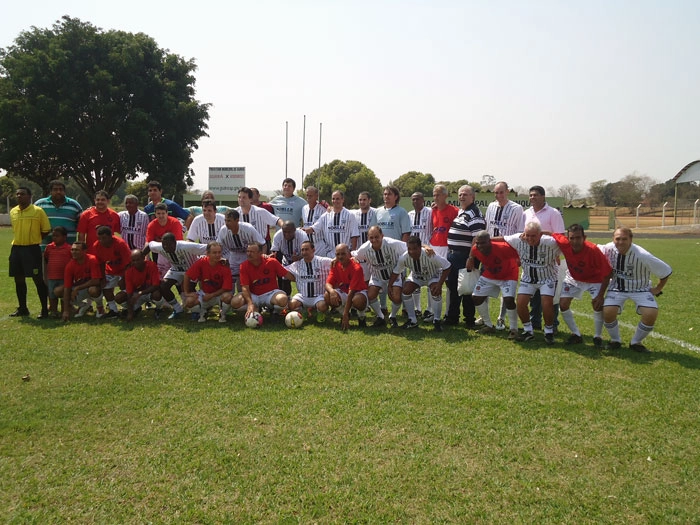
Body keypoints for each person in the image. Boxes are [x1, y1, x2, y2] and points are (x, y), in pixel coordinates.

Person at [599, 227, 672, 352]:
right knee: (608, 311)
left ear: (631, 239)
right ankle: (615, 340)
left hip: (641, 289)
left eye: (624, 239)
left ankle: (636, 342)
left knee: (651, 314)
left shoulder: (643, 255)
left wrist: (658, 288)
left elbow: (665, 271)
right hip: (617, 288)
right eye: (617, 239)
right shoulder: (608, 248)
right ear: (613, 239)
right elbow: (591, 249)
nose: (620, 242)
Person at [551, 224, 613, 346]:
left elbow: (608, 273)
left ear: (584, 237)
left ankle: (597, 336)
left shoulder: (593, 250)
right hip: (573, 278)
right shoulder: (564, 243)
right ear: (568, 238)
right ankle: (576, 334)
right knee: (563, 304)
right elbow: (550, 233)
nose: (575, 241)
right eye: (572, 238)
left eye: (578, 238)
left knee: (597, 305)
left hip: (594, 280)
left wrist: (600, 295)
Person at [503, 222, 562, 343]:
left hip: (548, 278)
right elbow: (502, 238)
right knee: (520, 303)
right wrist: (482, 238)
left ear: (540, 235)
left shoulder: (551, 243)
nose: (530, 238)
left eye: (533, 236)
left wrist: (549, 232)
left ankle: (549, 331)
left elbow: (565, 241)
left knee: (547, 304)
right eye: (527, 235)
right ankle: (528, 330)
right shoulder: (518, 239)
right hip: (528, 278)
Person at [483, 181, 524, 330]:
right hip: (490, 251)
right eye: (496, 192)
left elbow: (520, 232)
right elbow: (487, 228)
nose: (498, 195)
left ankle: (501, 318)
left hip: (507, 252)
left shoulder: (517, 208)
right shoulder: (491, 206)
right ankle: (484, 316)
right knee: (485, 283)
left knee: (507, 288)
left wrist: (517, 254)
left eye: (501, 192)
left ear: (508, 192)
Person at [523, 185, 565, 331]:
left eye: (535, 195)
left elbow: (560, 236)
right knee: (533, 294)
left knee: (551, 296)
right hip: (531, 260)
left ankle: (553, 324)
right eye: (531, 195)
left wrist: (556, 255)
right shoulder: (526, 213)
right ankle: (535, 322)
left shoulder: (553, 213)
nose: (532, 198)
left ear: (543, 196)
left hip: (550, 259)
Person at [444, 185, 486, 327]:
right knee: (454, 287)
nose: (462, 197)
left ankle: (469, 319)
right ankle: (453, 317)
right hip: (453, 256)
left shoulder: (475, 214)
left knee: (467, 288)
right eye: (460, 194)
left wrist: (471, 258)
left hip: (465, 257)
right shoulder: (462, 211)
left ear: (473, 197)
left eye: (465, 194)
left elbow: (477, 240)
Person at [389, 236, 451, 331]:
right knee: (406, 290)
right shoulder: (404, 257)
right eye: (409, 249)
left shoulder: (430, 254)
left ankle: (437, 321)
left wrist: (439, 284)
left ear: (420, 248)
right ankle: (412, 320)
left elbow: (447, 266)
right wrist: (390, 286)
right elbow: (396, 272)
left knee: (435, 290)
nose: (412, 251)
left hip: (432, 276)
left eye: (414, 248)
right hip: (416, 277)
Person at [467, 231, 521, 339]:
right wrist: (470, 259)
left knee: (509, 300)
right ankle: (488, 325)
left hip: (508, 274)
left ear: (490, 241)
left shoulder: (503, 247)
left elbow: (519, 253)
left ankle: (514, 329)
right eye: (477, 243)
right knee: (476, 297)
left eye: (483, 243)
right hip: (490, 274)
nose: (479, 246)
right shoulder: (475, 248)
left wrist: (519, 260)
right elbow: (472, 252)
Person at [9, 187, 51, 318]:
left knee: (37, 279)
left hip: (32, 249)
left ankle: (44, 309)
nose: (19, 196)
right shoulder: (13, 211)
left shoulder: (38, 211)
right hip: (16, 248)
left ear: (30, 196)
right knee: (18, 278)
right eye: (18, 194)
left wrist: (34, 239)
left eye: (22, 194)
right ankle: (22, 308)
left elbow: (46, 229)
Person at [353, 226, 406, 328]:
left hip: (393, 276)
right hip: (377, 276)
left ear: (382, 236)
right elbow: (354, 254)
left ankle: (392, 316)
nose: (374, 240)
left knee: (396, 297)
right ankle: (381, 317)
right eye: (371, 237)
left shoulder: (392, 243)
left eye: (377, 237)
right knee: (371, 295)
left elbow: (408, 247)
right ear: (368, 237)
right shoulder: (364, 248)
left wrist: (425, 247)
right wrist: (350, 258)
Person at [145, 232, 208, 319]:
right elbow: (150, 245)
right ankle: (177, 309)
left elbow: (208, 248)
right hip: (176, 269)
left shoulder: (186, 246)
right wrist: (141, 256)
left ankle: (196, 310)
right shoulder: (160, 247)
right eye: (164, 245)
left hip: (191, 268)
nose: (166, 247)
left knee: (188, 288)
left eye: (168, 245)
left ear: (175, 243)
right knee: (163, 286)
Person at [231, 243, 293, 322]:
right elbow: (245, 287)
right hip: (253, 295)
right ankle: (256, 309)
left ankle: (275, 312)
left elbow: (287, 275)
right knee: (235, 302)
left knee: (282, 299)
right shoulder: (244, 266)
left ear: (260, 253)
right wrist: (250, 303)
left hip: (270, 294)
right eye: (247, 251)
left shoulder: (272, 262)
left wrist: (300, 278)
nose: (248, 254)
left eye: (252, 252)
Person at [183, 241, 233, 323]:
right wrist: (186, 292)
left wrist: (211, 295)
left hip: (218, 295)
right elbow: (187, 275)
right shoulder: (202, 262)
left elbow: (226, 288)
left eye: (219, 252)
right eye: (214, 253)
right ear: (207, 253)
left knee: (228, 297)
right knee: (189, 301)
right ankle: (202, 312)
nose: (217, 255)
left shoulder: (225, 265)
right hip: (204, 294)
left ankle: (223, 314)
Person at [217, 209, 266, 291]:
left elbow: (263, 244)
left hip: (248, 256)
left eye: (229, 221)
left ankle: (245, 298)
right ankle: (229, 299)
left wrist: (261, 260)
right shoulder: (223, 230)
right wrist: (220, 258)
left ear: (237, 220)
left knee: (244, 283)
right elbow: (218, 246)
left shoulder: (248, 228)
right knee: (229, 284)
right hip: (232, 255)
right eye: (225, 220)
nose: (226, 223)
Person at [324, 243, 369, 330]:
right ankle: (343, 313)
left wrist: (346, 312)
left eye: (343, 254)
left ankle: (361, 316)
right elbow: (328, 283)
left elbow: (351, 292)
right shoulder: (335, 264)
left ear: (349, 254)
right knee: (327, 295)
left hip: (358, 293)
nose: (340, 256)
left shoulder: (357, 268)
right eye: (338, 254)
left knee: (357, 300)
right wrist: (332, 291)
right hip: (345, 292)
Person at [286, 240, 333, 322]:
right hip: (303, 296)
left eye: (306, 249)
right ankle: (303, 311)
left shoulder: (323, 261)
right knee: (291, 305)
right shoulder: (297, 264)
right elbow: (282, 271)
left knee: (322, 306)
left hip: (318, 296)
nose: (304, 252)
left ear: (313, 250)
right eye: (302, 250)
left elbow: (336, 262)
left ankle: (320, 313)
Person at [304, 190, 359, 256]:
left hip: (345, 254)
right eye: (333, 199)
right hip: (330, 254)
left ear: (342, 200)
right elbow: (314, 228)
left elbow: (354, 236)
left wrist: (352, 252)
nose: (335, 201)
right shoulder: (326, 215)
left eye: (337, 199)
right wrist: (301, 230)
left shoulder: (350, 215)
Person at [58, 242, 103, 321]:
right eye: (72, 250)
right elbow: (67, 287)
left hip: (93, 287)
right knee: (58, 291)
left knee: (93, 290)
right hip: (81, 288)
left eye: (77, 250)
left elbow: (96, 281)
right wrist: (66, 311)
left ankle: (100, 307)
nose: (74, 252)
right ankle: (83, 305)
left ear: (84, 251)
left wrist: (77, 288)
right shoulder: (70, 265)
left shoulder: (92, 259)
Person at [93, 226, 132, 318]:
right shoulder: (97, 245)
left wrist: (124, 278)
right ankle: (113, 310)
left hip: (124, 270)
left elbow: (128, 263)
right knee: (106, 287)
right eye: (99, 238)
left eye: (104, 238)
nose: (101, 241)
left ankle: (130, 308)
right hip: (110, 270)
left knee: (122, 293)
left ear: (111, 236)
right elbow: (101, 263)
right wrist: (102, 277)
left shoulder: (120, 244)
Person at [34, 179, 83, 248]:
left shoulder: (74, 205)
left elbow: (81, 227)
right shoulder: (40, 204)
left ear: (64, 191)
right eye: (55, 189)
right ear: (50, 191)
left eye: (61, 189)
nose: (58, 192)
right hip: (44, 247)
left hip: (68, 249)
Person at [408, 191, 433, 320]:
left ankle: (429, 309)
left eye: (418, 199)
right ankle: (417, 309)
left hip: (427, 252)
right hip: (413, 253)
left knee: (430, 281)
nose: (415, 202)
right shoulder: (409, 215)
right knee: (415, 278)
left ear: (423, 200)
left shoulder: (430, 212)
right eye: (413, 199)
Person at [121, 249, 163, 321]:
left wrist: (141, 293)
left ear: (143, 258)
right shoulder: (129, 271)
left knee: (157, 294)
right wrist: (130, 313)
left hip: (149, 293)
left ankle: (159, 309)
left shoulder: (151, 265)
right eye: (133, 260)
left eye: (138, 259)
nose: (136, 262)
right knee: (119, 297)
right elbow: (129, 292)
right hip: (136, 295)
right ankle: (135, 309)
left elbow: (156, 285)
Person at [146, 202, 185, 277]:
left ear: (167, 213)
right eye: (158, 213)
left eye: (163, 213)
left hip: (175, 251)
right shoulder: (152, 225)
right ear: (155, 214)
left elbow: (177, 242)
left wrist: (159, 241)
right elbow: (149, 242)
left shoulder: (175, 223)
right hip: (159, 252)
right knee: (161, 279)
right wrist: (146, 257)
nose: (161, 216)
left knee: (179, 279)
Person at [270, 220, 308, 295]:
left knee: (303, 280)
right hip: (286, 260)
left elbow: (308, 252)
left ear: (294, 230)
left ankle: (304, 297)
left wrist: (299, 257)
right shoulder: (278, 235)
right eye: (285, 232)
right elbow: (274, 252)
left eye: (289, 232)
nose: (287, 234)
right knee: (284, 278)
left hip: (301, 260)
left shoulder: (302, 235)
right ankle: (285, 298)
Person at [43, 226, 73, 317]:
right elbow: (46, 259)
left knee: (64, 295)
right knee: (52, 295)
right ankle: (54, 311)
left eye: (57, 236)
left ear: (64, 237)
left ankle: (64, 311)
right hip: (52, 276)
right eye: (53, 236)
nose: (55, 238)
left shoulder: (69, 248)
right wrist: (45, 275)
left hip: (64, 276)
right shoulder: (49, 247)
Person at [429, 184, 458, 259]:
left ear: (445, 195)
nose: (435, 198)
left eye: (438, 195)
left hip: (447, 246)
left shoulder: (454, 211)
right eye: (434, 195)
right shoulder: (432, 210)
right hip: (433, 245)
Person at [301, 186, 329, 256]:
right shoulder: (304, 208)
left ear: (316, 196)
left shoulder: (323, 209)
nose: (308, 198)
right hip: (307, 244)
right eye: (307, 195)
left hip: (319, 244)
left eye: (311, 196)